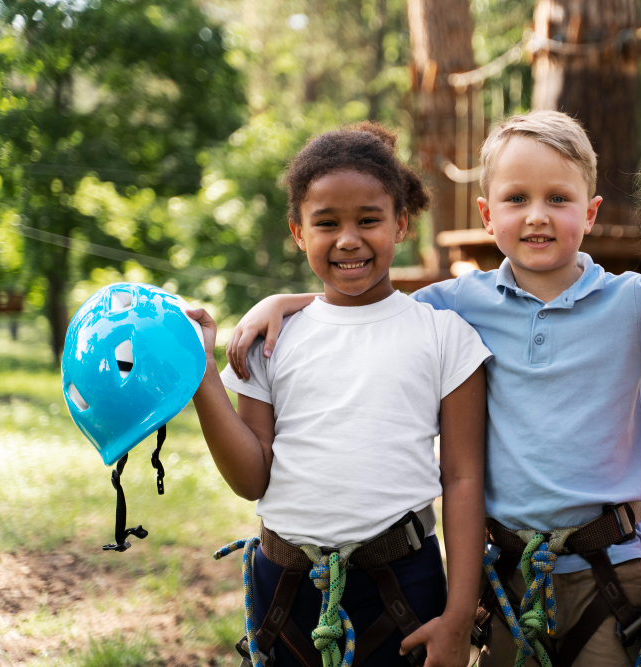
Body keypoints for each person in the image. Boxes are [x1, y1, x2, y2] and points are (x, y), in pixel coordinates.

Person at [225, 112, 641, 667]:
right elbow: (364, 300)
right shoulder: (458, 303)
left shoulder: (636, 304)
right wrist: (286, 301)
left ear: (589, 213)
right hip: (505, 574)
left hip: (613, 571)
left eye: (558, 199)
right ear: (487, 212)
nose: (537, 216)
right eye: (516, 199)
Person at [186, 123, 492, 667]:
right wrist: (201, 375)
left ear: (401, 223)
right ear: (298, 232)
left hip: (402, 588)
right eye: (326, 223)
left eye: (368, 220)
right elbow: (251, 477)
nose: (348, 239)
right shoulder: (270, 339)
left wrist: (459, 615)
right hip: (284, 588)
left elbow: (464, 479)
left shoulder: (444, 336)